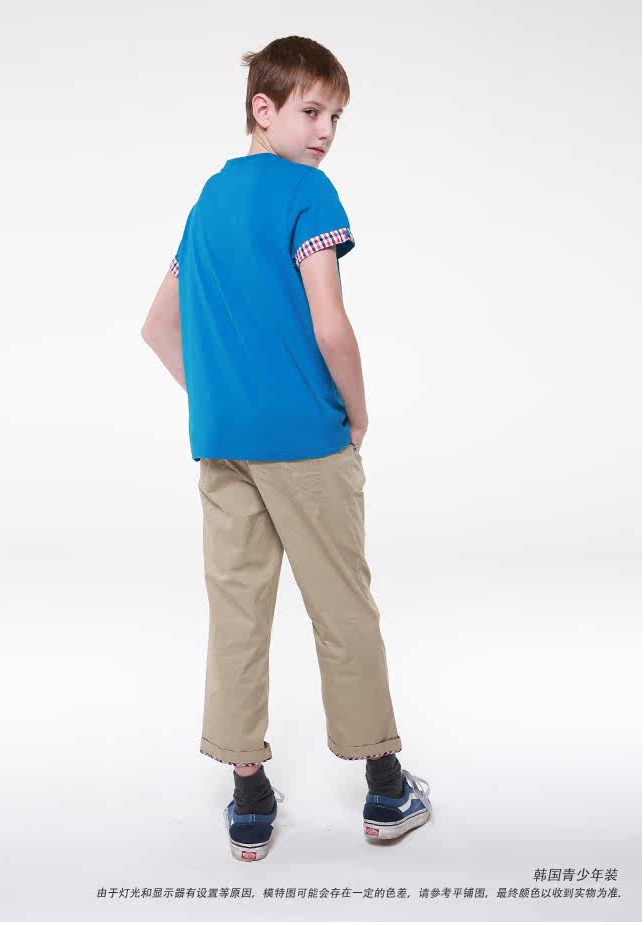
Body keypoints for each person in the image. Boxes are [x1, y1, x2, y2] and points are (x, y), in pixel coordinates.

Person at [141, 35, 432, 862]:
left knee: (237, 612)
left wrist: (225, 398)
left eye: (336, 116)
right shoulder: (308, 192)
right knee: (342, 605)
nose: (326, 131)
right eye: (311, 111)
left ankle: (248, 797)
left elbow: (157, 327)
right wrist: (358, 412)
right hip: (307, 442)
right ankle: (385, 787)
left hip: (224, 446)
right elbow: (330, 325)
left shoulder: (207, 203)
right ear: (262, 109)